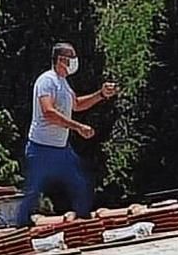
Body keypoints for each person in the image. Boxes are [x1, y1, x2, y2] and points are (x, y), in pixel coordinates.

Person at [15, 42, 117, 225]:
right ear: (61, 60)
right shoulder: (47, 81)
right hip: (41, 149)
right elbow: (49, 112)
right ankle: (20, 230)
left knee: (81, 185)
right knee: (32, 192)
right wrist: (78, 127)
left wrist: (100, 95)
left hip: (61, 150)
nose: (75, 62)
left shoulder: (63, 82)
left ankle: (82, 225)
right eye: (72, 58)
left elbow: (76, 104)